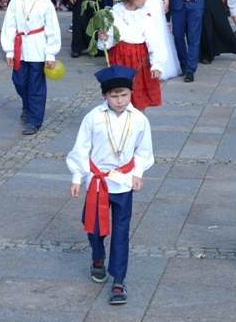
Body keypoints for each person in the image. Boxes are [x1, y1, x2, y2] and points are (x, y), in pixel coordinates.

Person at [66, 64, 154, 305]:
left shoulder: (138, 119)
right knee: (94, 227)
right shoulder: (93, 117)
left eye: (124, 95)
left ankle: (118, 279)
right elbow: (81, 149)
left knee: (121, 231)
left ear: (131, 93)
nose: (119, 100)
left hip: (123, 184)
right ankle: (97, 256)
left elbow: (144, 150)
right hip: (97, 181)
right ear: (105, 95)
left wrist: (138, 173)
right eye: (114, 96)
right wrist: (76, 177)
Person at [0, 0, 61, 135]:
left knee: (36, 85)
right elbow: (9, 26)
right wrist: (9, 51)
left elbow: (53, 29)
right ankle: (27, 105)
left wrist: (50, 54)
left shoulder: (45, 2)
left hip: (38, 48)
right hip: (20, 48)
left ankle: (34, 120)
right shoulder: (16, 0)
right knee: (19, 81)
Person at [97, 0, 166, 112]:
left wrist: (157, 64)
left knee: (139, 99)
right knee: (118, 96)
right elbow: (109, 40)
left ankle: (139, 127)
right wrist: (104, 38)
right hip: (119, 57)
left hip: (139, 58)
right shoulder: (114, 13)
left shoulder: (146, 15)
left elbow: (155, 40)